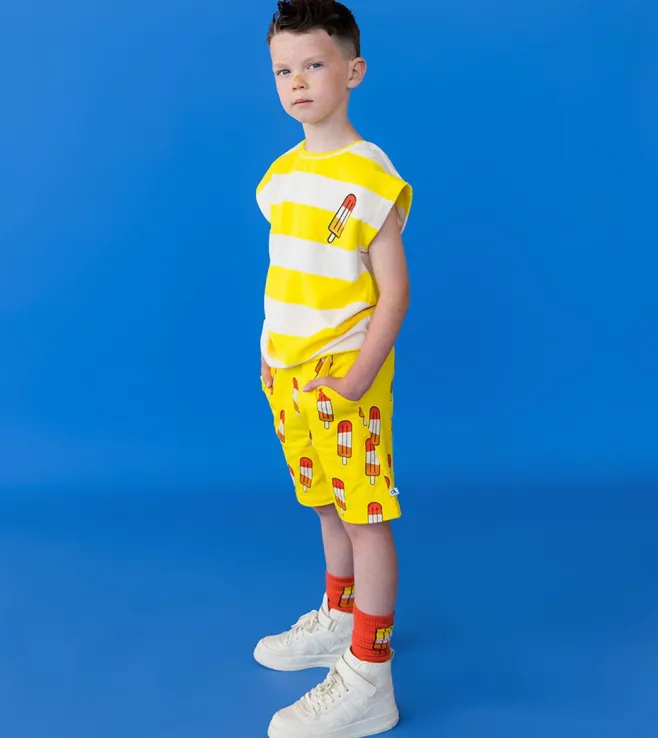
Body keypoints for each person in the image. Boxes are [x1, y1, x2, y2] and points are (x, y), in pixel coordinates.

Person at [254, 1, 413, 736]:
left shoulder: (369, 175)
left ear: (352, 72)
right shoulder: (280, 177)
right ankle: (341, 617)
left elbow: (394, 293)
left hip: (345, 376)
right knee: (324, 502)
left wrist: (355, 380)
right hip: (290, 378)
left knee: (363, 514)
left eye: (313, 65)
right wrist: (268, 350)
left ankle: (370, 673)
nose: (297, 81)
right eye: (283, 70)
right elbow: (288, 273)